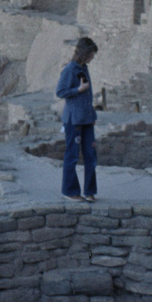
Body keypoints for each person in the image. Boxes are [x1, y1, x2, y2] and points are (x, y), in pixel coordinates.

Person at [57, 37, 99, 202]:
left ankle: (90, 191)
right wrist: (78, 89)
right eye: (91, 54)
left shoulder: (84, 68)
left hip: (87, 118)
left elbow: (88, 95)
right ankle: (70, 190)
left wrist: (92, 115)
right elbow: (60, 92)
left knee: (91, 155)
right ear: (84, 53)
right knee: (72, 155)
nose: (92, 58)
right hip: (74, 119)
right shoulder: (69, 69)